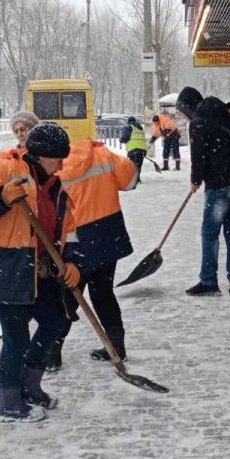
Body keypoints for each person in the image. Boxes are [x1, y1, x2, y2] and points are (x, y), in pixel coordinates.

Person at [0, 123, 78, 422]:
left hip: (41, 271)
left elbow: (68, 227)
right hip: (5, 268)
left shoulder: (55, 184)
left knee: (55, 323)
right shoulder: (1, 169)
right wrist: (0, 197)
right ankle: (8, 399)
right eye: (57, 159)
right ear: (38, 156)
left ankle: (29, 384)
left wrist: (73, 261)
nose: (62, 165)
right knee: (16, 338)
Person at [53, 137, 139, 366]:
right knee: (103, 292)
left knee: (68, 295)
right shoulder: (103, 155)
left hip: (76, 239)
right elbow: (130, 180)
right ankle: (116, 347)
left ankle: (51, 351)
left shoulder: (57, 166)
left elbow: (59, 211)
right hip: (108, 234)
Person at [175, 85, 230, 301]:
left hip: (220, 183)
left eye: (182, 112)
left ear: (188, 107)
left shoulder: (199, 123)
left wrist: (195, 180)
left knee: (210, 233)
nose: (184, 118)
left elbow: (200, 157)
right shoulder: (222, 114)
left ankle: (208, 281)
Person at [119, 115, 147, 182]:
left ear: (128, 122)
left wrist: (121, 140)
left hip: (133, 149)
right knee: (138, 165)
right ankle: (137, 178)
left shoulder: (129, 127)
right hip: (142, 149)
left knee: (132, 165)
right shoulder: (140, 128)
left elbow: (125, 138)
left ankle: (133, 179)